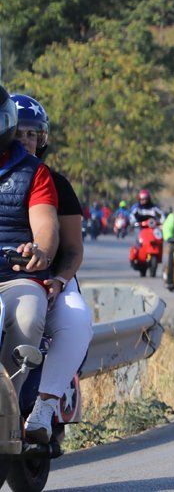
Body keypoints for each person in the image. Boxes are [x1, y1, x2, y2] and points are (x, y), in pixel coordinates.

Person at [10, 93, 93, 443]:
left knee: (76, 318)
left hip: (53, 278)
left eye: (34, 134)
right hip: (7, 278)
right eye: (20, 133)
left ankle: (44, 406)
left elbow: (72, 249)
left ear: (42, 138)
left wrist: (59, 279)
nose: (27, 141)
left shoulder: (55, 183)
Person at [0, 86, 57, 396]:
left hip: (14, 276)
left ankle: (8, 407)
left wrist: (40, 249)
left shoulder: (35, 172)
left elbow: (46, 224)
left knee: (29, 317)